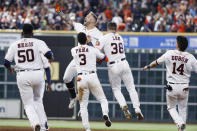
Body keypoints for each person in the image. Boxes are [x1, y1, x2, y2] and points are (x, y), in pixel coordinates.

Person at [4, 24, 53, 131]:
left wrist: (10, 69)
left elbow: (6, 62)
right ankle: (44, 126)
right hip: (38, 74)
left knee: (28, 104)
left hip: (23, 75)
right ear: (33, 33)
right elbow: (49, 54)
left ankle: (35, 123)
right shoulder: (38, 42)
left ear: (22, 33)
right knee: (38, 101)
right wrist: (51, 57)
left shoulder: (15, 44)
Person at [142, 36, 196, 131]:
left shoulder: (170, 53)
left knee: (171, 108)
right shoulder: (190, 57)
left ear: (178, 44)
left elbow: (156, 63)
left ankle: (180, 124)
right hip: (184, 87)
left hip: (172, 86)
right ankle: (182, 128)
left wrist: (148, 66)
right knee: (183, 109)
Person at [96, 22, 144, 120]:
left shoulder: (104, 38)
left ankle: (123, 106)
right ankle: (137, 109)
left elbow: (96, 52)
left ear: (108, 28)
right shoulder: (120, 37)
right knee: (131, 88)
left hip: (113, 65)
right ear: (116, 29)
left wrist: (100, 58)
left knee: (116, 89)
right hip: (124, 63)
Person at [60, 11, 103, 109]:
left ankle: (89, 108)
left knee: (86, 87)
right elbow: (68, 20)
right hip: (78, 59)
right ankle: (73, 97)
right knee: (66, 78)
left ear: (92, 20)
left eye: (88, 17)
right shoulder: (80, 27)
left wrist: (90, 43)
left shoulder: (99, 34)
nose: (85, 18)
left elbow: (99, 52)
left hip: (89, 62)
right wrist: (59, 11)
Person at [71, 32, 111, 131]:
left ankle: (87, 129)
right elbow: (105, 58)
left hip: (81, 78)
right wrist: (90, 43)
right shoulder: (93, 49)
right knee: (102, 99)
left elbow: (82, 49)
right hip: (92, 76)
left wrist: (85, 41)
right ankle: (105, 114)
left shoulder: (73, 50)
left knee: (83, 105)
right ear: (86, 39)